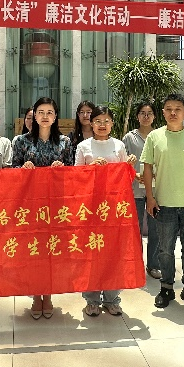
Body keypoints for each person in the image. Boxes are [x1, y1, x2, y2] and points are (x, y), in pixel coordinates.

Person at [141, 93, 184, 312]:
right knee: (165, 251)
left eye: (177, 109)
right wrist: (150, 197)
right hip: (164, 204)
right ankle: (167, 288)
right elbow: (147, 168)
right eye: (169, 109)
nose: (173, 113)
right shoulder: (154, 137)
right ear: (163, 113)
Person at [12, 96, 74, 319]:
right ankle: (35, 295)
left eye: (49, 112)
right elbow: (12, 171)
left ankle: (48, 295)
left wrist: (62, 169)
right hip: (30, 206)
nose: (45, 116)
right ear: (34, 116)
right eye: (41, 112)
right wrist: (23, 169)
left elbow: (74, 173)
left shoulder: (65, 142)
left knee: (52, 251)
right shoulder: (21, 141)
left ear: (55, 116)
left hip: (56, 205)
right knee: (34, 251)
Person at [75, 105, 137, 317]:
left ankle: (112, 299)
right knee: (92, 253)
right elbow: (76, 178)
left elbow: (125, 179)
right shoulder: (83, 146)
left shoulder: (119, 145)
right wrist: (91, 168)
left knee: (113, 254)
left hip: (113, 208)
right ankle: (91, 300)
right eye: (98, 121)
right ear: (91, 124)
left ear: (112, 124)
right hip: (91, 208)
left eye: (106, 121)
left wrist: (128, 166)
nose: (102, 125)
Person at [122, 102, 161, 280]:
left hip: (156, 190)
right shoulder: (129, 138)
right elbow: (123, 162)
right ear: (137, 116)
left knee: (155, 229)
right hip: (135, 188)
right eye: (142, 113)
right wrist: (134, 173)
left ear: (154, 116)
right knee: (134, 229)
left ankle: (154, 265)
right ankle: (134, 265)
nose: (146, 116)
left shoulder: (160, 136)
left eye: (149, 113)